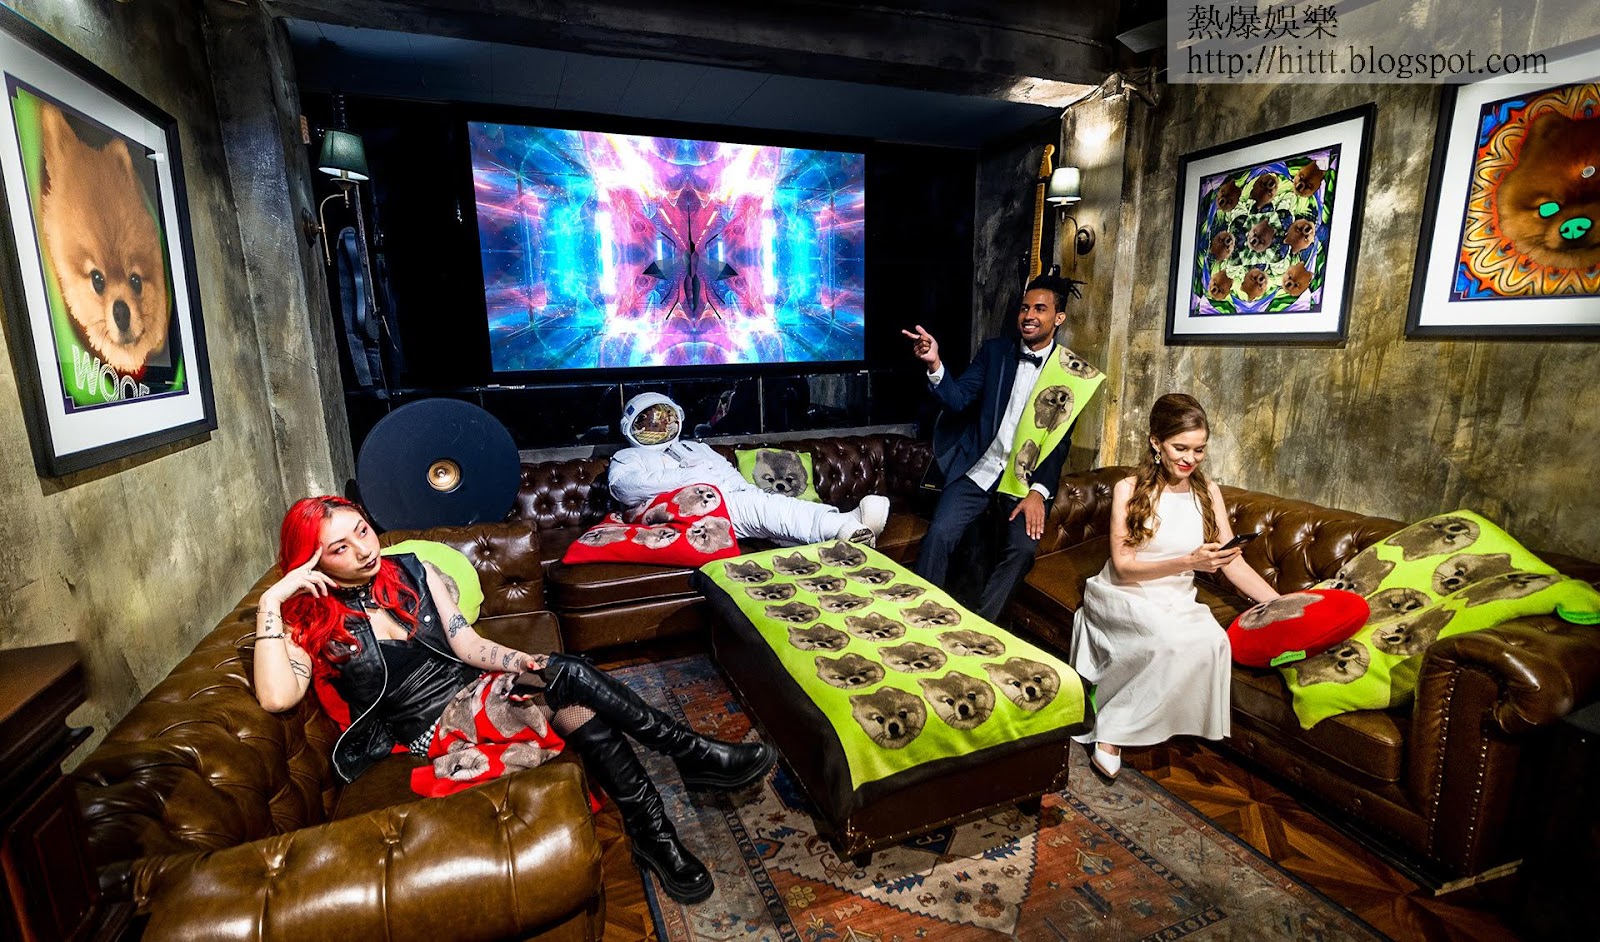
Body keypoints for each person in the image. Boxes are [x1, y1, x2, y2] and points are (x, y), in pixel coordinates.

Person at [252, 495, 775, 905]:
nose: (364, 550)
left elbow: (466, 642)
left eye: (362, 531)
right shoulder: (306, 621)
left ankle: (655, 830)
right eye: (339, 547)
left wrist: (518, 661)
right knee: (572, 681)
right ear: (311, 561)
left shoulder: (412, 568)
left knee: (568, 687)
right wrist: (272, 600)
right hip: (436, 729)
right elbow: (277, 697)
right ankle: (685, 769)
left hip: (479, 691)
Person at [1068, 394, 1280, 780]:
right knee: (1165, 641)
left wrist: (1283, 604)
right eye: (1180, 448)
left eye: (1199, 449)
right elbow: (1124, 567)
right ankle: (1111, 731)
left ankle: (1157, 719)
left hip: (1176, 594)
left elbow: (1233, 562)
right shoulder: (1129, 488)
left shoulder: (1207, 491)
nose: (1190, 458)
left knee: (1213, 642)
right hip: (1123, 590)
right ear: (1156, 443)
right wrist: (1189, 562)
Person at [902, 274, 1104, 620]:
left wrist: (1039, 492)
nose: (1029, 315)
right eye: (1024, 308)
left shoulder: (1072, 374)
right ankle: (917, 614)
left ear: (1059, 318)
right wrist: (935, 364)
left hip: (1023, 481)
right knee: (939, 535)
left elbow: (1058, 444)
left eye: (1040, 309)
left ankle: (983, 626)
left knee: (1023, 551)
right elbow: (957, 399)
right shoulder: (995, 353)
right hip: (979, 468)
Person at [607, 392, 890, 545]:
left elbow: (728, 474)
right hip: (690, 516)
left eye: (663, 418)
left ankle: (843, 532)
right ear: (631, 426)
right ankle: (841, 525)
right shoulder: (627, 457)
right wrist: (693, 476)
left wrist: (745, 491)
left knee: (769, 512)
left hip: (728, 502)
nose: (658, 426)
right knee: (759, 509)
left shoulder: (693, 448)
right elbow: (625, 489)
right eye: (649, 421)